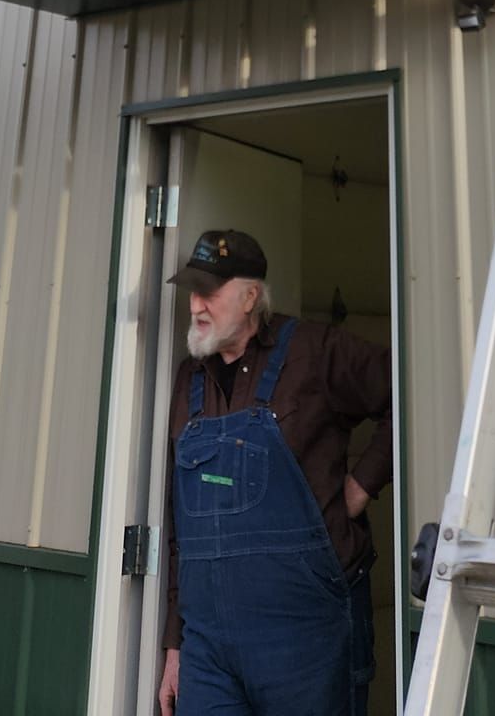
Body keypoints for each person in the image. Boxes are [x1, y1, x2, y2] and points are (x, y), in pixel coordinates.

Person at [157, 227, 392, 716]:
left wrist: (359, 487)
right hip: (209, 652)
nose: (197, 305)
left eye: (210, 292)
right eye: (193, 292)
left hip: (304, 638)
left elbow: (407, 391)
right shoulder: (187, 380)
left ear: (250, 297)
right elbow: (182, 529)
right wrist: (176, 645)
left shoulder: (315, 353)